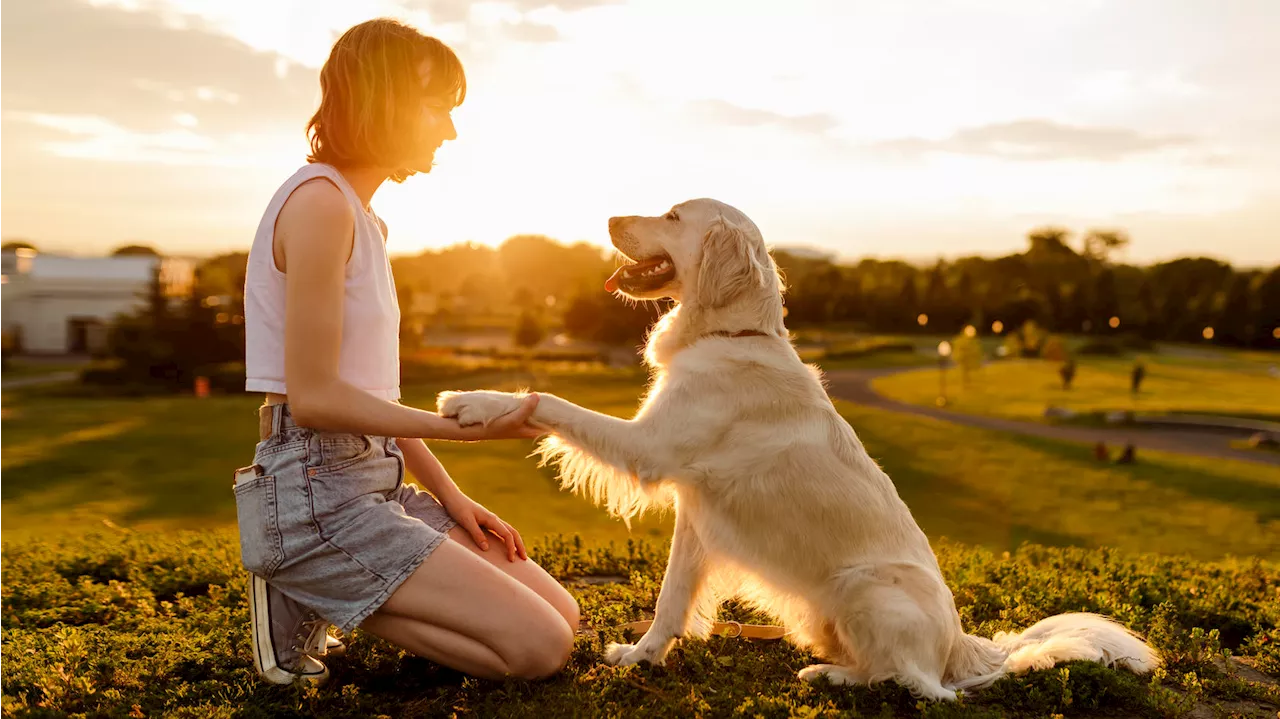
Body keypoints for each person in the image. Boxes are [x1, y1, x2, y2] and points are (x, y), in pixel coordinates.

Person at [235, 18, 578, 686]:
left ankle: (321, 582)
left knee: (560, 612)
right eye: (438, 108)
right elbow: (314, 398)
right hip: (313, 493)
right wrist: (464, 430)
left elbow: (372, 400)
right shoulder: (319, 205)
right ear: (381, 97)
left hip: (373, 479)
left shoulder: (365, 219)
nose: (448, 131)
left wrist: (452, 496)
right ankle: (300, 573)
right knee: (539, 649)